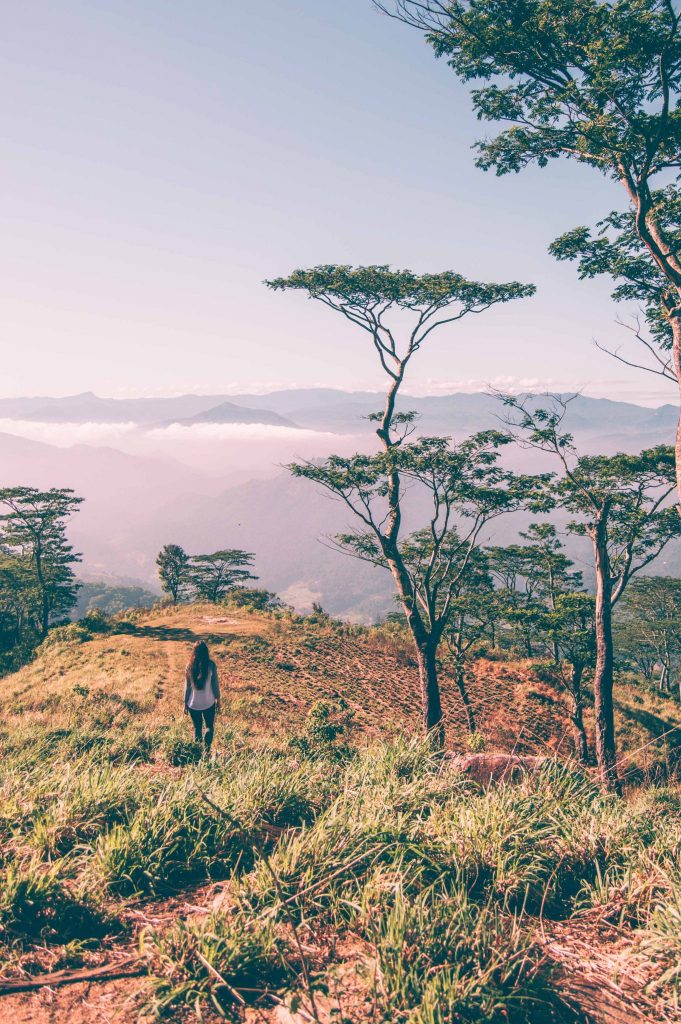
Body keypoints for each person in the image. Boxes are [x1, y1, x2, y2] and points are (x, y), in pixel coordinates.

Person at [184, 640, 220, 752]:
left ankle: (197, 752)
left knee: (197, 728)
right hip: (208, 703)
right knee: (209, 727)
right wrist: (218, 700)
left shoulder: (189, 666)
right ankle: (207, 750)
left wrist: (185, 703)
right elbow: (215, 685)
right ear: (206, 652)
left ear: (194, 652)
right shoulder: (211, 665)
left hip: (193, 705)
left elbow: (187, 687)